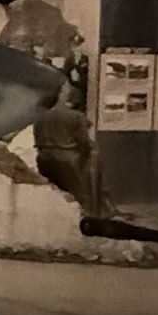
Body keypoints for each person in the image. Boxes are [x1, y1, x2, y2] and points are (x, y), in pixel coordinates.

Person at [33, 79, 108, 217]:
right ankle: (90, 216)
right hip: (67, 158)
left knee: (55, 194)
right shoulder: (75, 116)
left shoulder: (39, 116)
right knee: (80, 193)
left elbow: (36, 137)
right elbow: (83, 141)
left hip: (43, 158)